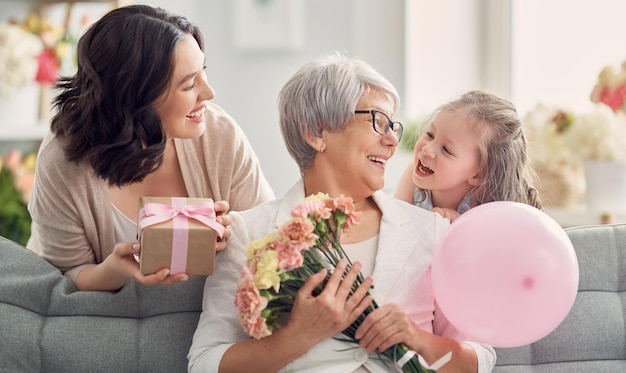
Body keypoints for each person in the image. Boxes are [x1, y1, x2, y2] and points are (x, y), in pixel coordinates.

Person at [188, 54, 496, 372]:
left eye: (393, 126)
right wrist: (295, 338)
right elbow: (203, 363)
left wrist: (417, 338)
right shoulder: (248, 232)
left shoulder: (431, 230)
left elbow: (481, 358)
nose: (392, 141)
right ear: (317, 132)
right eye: (378, 122)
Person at [27, 5, 275, 292]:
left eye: (202, 73)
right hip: (98, 313)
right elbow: (64, 276)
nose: (209, 93)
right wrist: (115, 270)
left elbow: (267, 243)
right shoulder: (62, 162)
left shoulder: (221, 135)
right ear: (137, 97)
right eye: (189, 84)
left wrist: (235, 233)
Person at [395, 90, 542, 222]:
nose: (427, 149)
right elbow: (394, 226)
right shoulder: (412, 176)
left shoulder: (488, 207)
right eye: (430, 135)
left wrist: (456, 228)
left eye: (446, 150)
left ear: (479, 174)